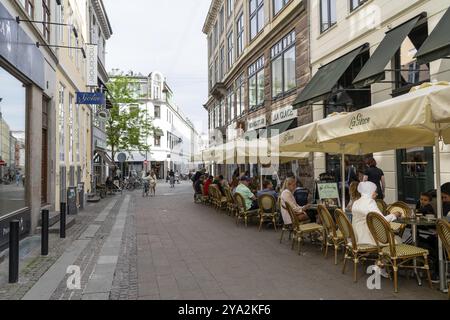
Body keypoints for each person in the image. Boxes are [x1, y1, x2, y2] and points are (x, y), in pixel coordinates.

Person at [352, 182, 401, 248]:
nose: (377, 194)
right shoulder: (370, 202)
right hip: (369, 239)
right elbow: (382, 220)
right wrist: (394, 215)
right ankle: (390, 257)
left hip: (356, 237)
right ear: (370, 191)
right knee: (398, 240)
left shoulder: (356, 202)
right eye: (375, 191)